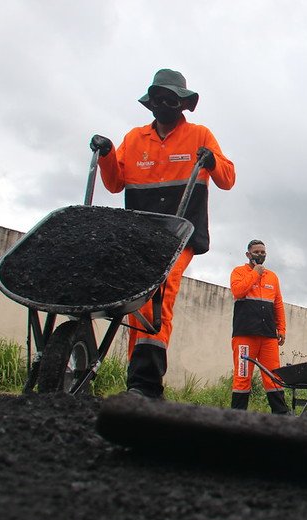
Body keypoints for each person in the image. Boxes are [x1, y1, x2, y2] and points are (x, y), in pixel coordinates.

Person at [90, 68, 235, 398]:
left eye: (171, 99)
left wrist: (212, 161)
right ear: (150, 102)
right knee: (134, 300)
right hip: (138, 234)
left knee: (161, 290)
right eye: (158, 98)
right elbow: (114, 184)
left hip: (179, 233)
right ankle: (134, 385)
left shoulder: (199, 135)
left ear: (182, 104)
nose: (164, 104)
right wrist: (108, 154)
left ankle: (146, 384)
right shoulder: (135, 139)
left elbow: (228, 178)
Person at [229, 240, 288, 414]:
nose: (260, 255)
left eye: (263, 252)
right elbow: (238, 291)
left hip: (268, 336)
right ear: (248, 255)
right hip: (245, 335)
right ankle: (237, 416)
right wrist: (255, 273)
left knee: (273, 376)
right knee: (242, 376)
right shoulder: (238, 272)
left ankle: (281, 415)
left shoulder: (273, 277)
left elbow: (278, 304)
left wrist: (282, 329)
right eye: (256, 252)